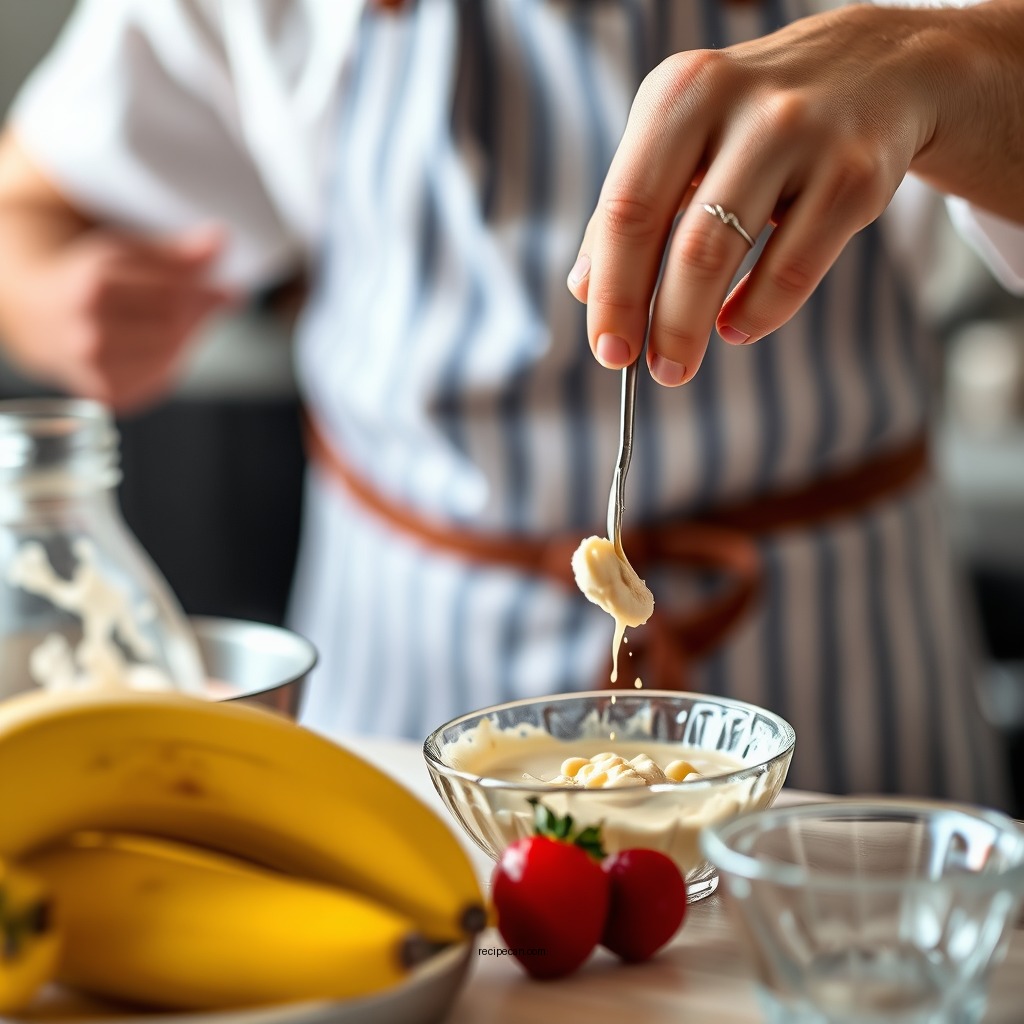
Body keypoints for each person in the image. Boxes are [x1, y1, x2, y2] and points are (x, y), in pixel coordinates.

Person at [0, 0, 1022, 808]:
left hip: (851, 682)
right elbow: (25, 203)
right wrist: (47, 292)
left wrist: (950, 61)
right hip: (408, 689)